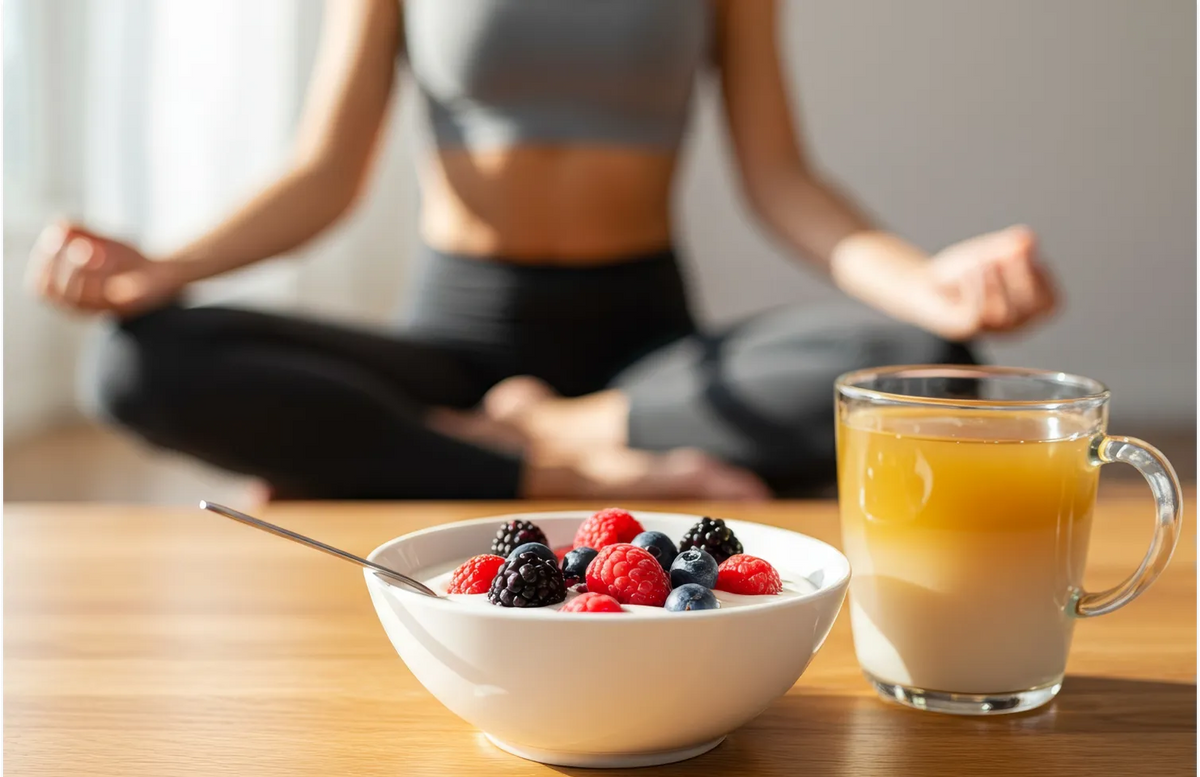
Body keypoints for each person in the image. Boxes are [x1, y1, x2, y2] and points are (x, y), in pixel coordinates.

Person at [28, 0, 1057, 501]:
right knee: (135, 359)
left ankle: (489, 445)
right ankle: (564, 472)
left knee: (934, 373)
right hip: (454, 337)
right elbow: (324, 175)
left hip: (645, 353)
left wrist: (934, 288)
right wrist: (166, 270)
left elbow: (782, 177)